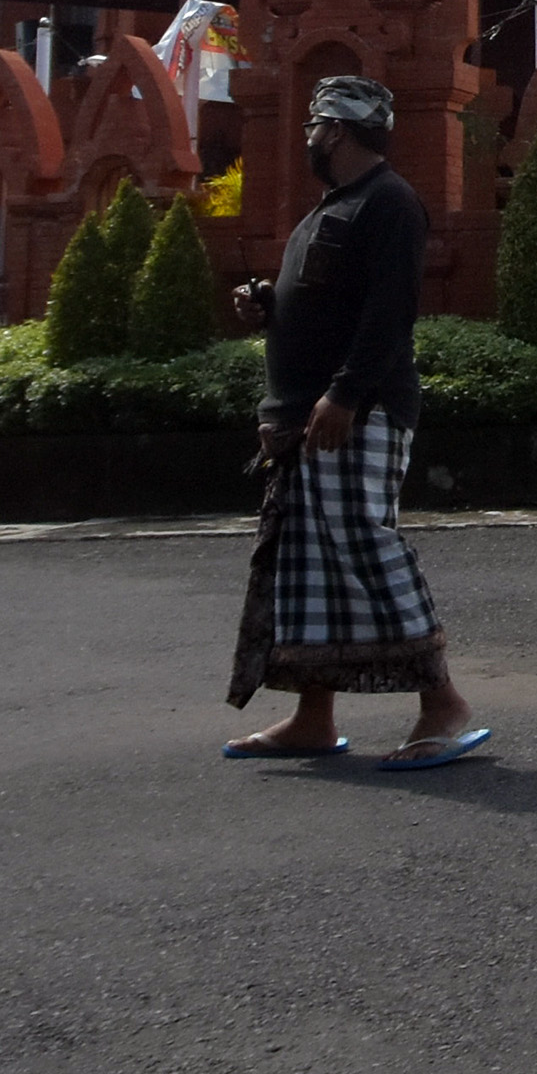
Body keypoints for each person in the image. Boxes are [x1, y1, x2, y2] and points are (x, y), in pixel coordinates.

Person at [222, 74, 490, 772]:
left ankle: (444, 703)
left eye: (314, 125)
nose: (308, 136)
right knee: (308, 564)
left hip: (355, 411)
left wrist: (343, 394)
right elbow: (323, 303)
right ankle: (314, 716)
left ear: (336, 130)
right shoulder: (330, 209)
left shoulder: (390, 203)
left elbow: (390, 312)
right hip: (305, 415)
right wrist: (266, 306)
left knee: (364, 545)